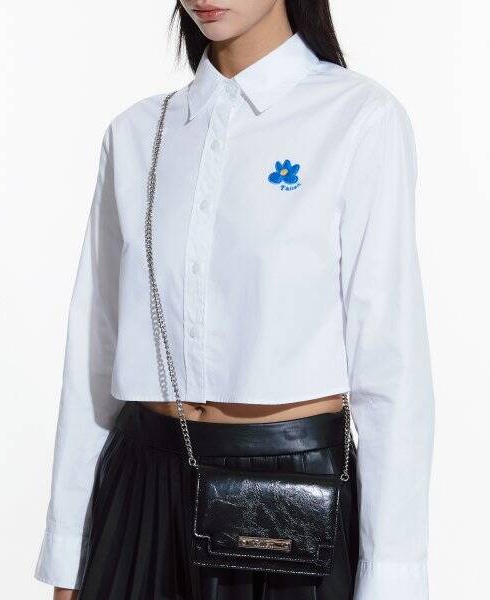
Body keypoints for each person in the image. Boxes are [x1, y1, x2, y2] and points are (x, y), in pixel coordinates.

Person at [35, 1, 435, 599]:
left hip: (289, 498)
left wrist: (393, 580)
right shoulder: (138, 131)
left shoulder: (358, 118)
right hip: (139, 492)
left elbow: (390, 365)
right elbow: (94, 349)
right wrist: (68, 550)